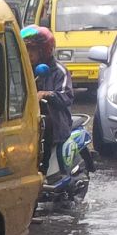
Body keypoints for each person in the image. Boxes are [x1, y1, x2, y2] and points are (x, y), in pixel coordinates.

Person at [23, 26, 73, 170]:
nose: (29, 54)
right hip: (30, 123)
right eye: (26, 49)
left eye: (32, 50)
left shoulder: (59, 71)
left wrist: (46, 94)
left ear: (43, 50)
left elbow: (67, 96)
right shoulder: (24, 69)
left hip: (54, 125)